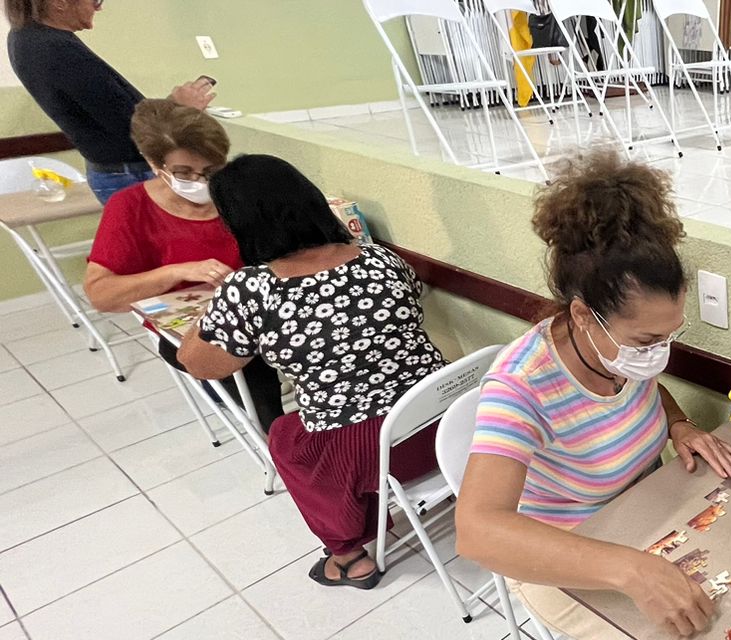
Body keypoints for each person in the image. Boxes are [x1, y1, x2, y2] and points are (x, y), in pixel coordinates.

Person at [455, 150, 731, 640]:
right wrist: (629, 572)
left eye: (671, 335)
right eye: (647, 338)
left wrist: (680, 422)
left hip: (643, 513)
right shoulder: (521, 387)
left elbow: (642, 386)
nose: (659, 353)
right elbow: (477, 530)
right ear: (585, 316)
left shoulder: (623, 353)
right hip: (560, 550)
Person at [177, 155, 447, 590]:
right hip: (450, 424)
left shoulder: (252, 288)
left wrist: (216, 307)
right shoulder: (380, 258)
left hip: (377, 454)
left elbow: (199, 362)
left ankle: (349, 556)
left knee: (288, 438)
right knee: (320, 429)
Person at [83, 98, 282, 433]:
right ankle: (284, 444)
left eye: (211, 171)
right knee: (247, 367)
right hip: (199, 332)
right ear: (154, 164)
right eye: (183, 173)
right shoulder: (130, 208)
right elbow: (101, 294)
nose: (201, 181)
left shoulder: (240, 190)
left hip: (263, 311)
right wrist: (177, 271)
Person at [6, 0, 216, 204]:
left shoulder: (25, 38)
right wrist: (178, 106)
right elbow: (129, 124)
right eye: (95, 1)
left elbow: (107, 107)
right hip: (128, 173)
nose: (99, 7)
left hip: (113, 169)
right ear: (59, 3)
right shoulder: (55, 49)